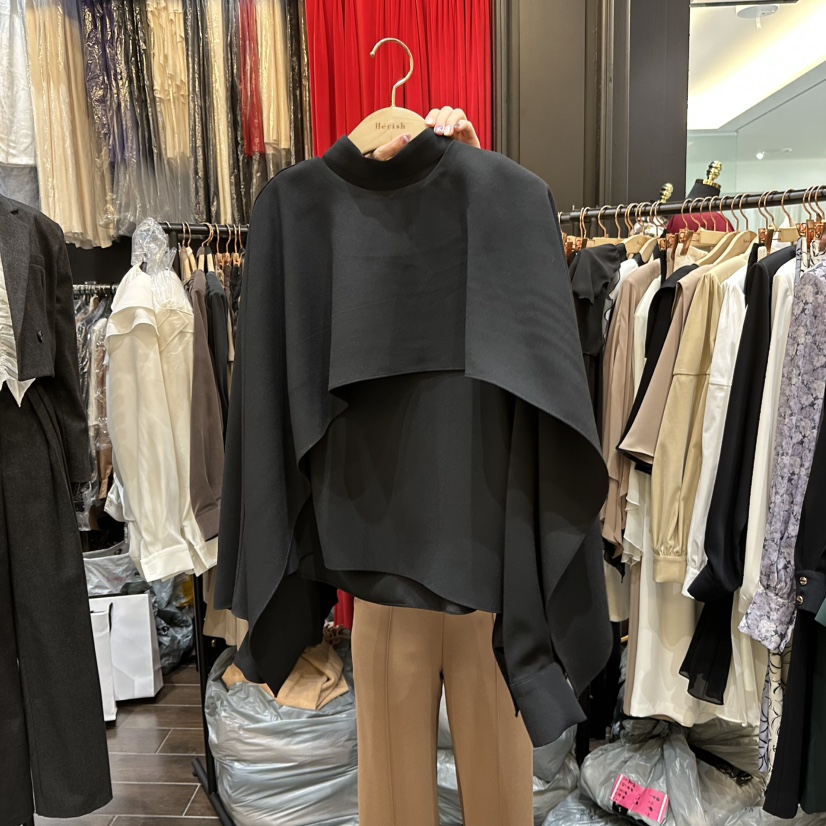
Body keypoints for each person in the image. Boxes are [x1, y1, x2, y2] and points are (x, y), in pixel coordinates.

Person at [350, 106, 535, 826]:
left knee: (500, 791)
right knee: (393, 797)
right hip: (387, 563)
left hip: (484, 560)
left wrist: (477, 181)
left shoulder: (496, 237)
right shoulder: (342, 247)